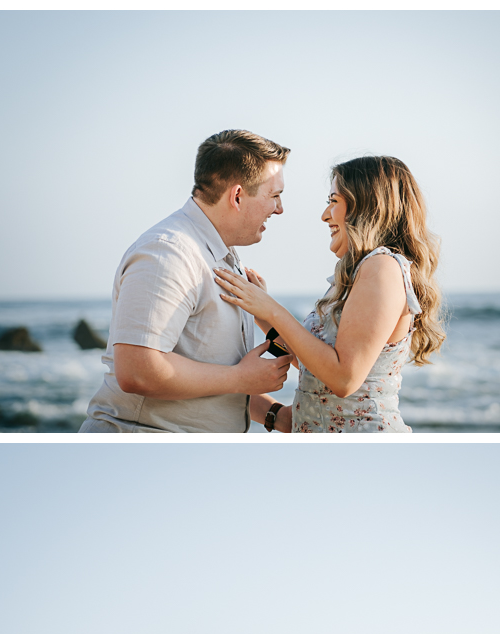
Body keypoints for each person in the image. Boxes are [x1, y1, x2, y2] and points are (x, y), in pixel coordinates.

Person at [79, 130, 295, 434]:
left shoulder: (220, 254)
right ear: (237, 196)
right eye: (274, 195)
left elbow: (205, 373)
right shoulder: (167, 253)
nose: (280, 208)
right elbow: (138, 371)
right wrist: (239, 378)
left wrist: (274, 414)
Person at [214, 155, 447, 432]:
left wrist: (271, 309)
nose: (325, 215)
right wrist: (262, 316)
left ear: (366, 206)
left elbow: (344, 379)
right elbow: (313, 365)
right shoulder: (357, 272)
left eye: (333, 202)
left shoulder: (381, 267)